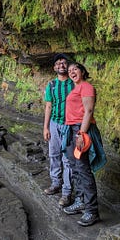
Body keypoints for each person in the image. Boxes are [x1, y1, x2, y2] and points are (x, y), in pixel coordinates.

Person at [62, 62, 105, 227]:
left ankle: (92, 211)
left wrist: (82, 133)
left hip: (80, 130)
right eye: (70, 70)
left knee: (83, 170)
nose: (72, 72)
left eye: (75, 69)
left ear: (82, 71)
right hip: (71, 130)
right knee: (76, 168)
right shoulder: (74, 88)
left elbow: (88, 111)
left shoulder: (86, 86)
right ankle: (80, 201)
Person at [43, 53, 74, 207]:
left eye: (64, 63)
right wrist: (46, 127)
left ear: (67, 66)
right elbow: (48, 106)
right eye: (58, 64)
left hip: (70, 125)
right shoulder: (51, 85)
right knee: (54, 154)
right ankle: (56, 183)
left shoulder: (74, 84)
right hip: (54, 124)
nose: (61, 65)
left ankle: (67, 192)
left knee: (67, 159)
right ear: (54, 67)